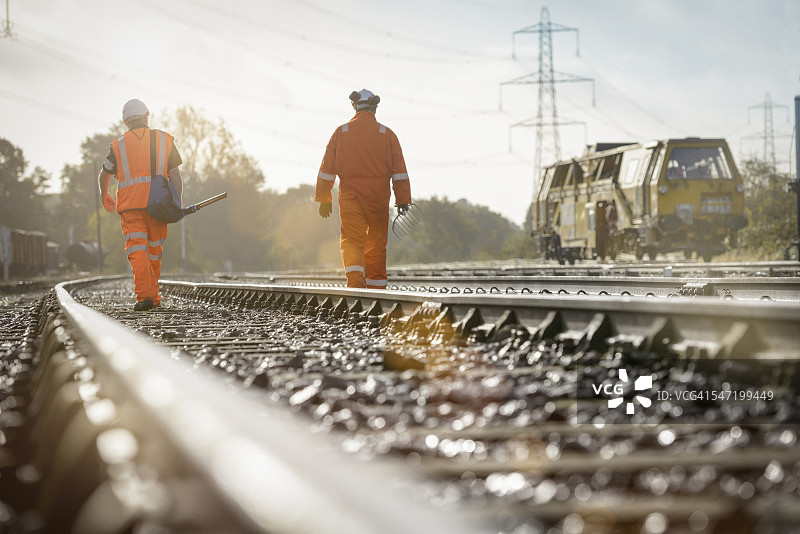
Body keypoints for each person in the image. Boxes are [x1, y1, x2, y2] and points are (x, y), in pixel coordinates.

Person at [315, 89, 412, 289]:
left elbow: (326, 169)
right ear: (375, 107)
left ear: (354, 106)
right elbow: (399, 171)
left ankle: (356, 286)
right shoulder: (387, 134)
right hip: (378, 197)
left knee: (352, 240)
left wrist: (324, 198)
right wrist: (403, 200)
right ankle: (376, 291)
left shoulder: (341, 132)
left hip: (350, 197)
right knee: (376, 242)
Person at [98, 99, 183, 311]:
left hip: (130, 207)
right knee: (154, 251)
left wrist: (104, 194)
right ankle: (151, 297)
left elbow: (104, 174)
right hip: (158, 206)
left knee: (137, 250)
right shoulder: (165, 140)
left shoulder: (118, 146)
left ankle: (147, 296)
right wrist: (176, 201)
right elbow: (175, 175)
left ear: (126, 121)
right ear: (147, 115)